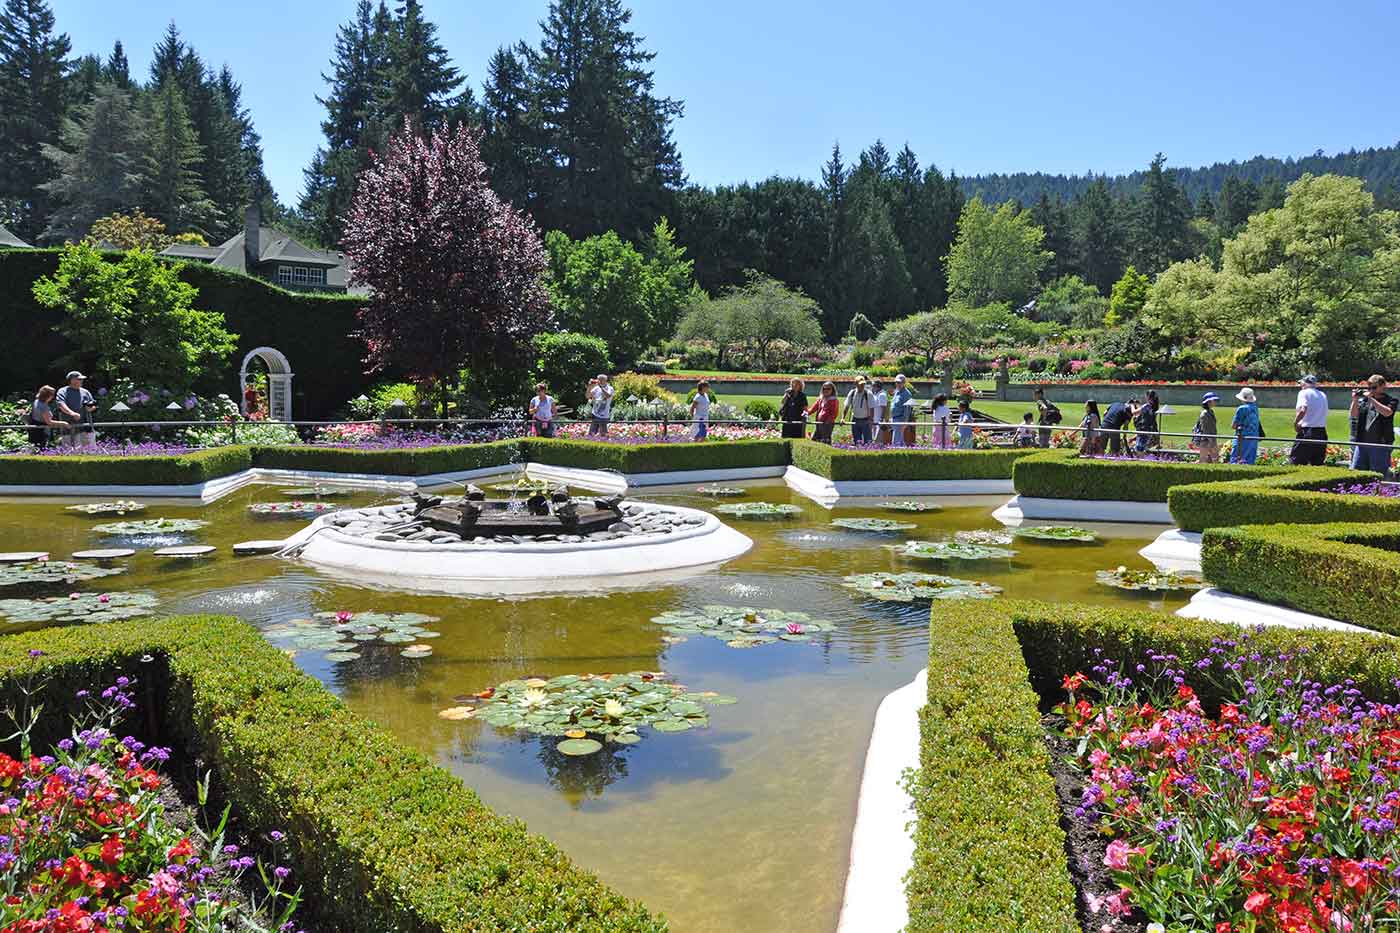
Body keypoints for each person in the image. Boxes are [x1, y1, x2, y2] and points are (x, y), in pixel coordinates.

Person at [1350, 374, 1397, 478]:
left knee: (1379, 475)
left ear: (1383, 386)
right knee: (1356, 473)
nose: (1371, 390)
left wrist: (1371, 399)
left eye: (1374, 387)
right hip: (1362, 443)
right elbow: (1354, 415)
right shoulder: (1364, 401)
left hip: (1380, 444)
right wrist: (1355, 400)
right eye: (1369, 387)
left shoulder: (1391, 400)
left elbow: (1387, 413)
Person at [1285, 374, 1328, 466]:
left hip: (1307, 432)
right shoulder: (1322, 394)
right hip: (1321, 432)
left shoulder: (1303, 393)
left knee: (1296, 463)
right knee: (1317, 465)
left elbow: (1303, 409)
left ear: (1305, 384)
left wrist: (1296, 423)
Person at [54, 371, 97, 450]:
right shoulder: (62, 391)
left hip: (85, 427)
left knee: (89, 451)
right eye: (79, 379)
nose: (81, 381)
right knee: (69, 452)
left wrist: (91, 408)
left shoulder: (85, 392)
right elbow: (61, 405)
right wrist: (72, 413)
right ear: (72, 380)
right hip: (68, 427)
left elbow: (93, 405)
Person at [1230, 387, 1261, 464]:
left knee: (1236, 460)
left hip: (1242, 438)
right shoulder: (1255, 408)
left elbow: (1234, 425)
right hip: (1253, 438)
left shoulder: (1242, 408)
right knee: (1249, 461)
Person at [845, 377, 876, 446]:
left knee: (868, 443)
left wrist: (871, 419)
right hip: (855, 420)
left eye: (863, 384)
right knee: (857, 442)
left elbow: (872, 408)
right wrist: (843, 418)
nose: (862, 386)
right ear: (855, 384)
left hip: (866, 421)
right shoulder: (852, 393)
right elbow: (846, 406)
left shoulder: (868, 393)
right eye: (860, 384)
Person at [1192, 393, 1221, 463]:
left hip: (1210, 438)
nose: (1215, 402)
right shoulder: (1204, 413)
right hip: (1205, 440)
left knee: (1214, 458)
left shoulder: (1210, 411)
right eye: (1213, 400)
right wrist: (1211, 441)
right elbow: (1205, 428)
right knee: (1204, 459)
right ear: (1208, 402)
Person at [27, 385, 57, 450]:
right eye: (52, 395)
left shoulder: (37, 401)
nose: (53, 397)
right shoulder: (43, 405)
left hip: (36, 430)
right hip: (42, 432)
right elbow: (49, 422)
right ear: (47, 395)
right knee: (43, 450)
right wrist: (63, 423)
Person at [1132, 390, 1161, 454]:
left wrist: (1132, 406)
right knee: (1142, 447)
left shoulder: (1146, 405)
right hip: (1149, 430)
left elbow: (1134, 412)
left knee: (1139, 449)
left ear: (1148, 397)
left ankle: (1140, 460)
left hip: (1143, 429)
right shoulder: (1155, 406)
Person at [890, 375, 914, 447]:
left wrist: (905, 422)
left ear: (904, 383)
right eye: (897, 382)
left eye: (900, 382)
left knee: (896, 441)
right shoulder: (897, 392)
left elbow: (907, 409)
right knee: (899, 440)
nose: (898, 384)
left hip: (900, 419)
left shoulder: (907, 394)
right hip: (894, 419)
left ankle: (896, 455)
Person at [871, 380, 889, 446]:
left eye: (873, 386)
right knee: (874, 441)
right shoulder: (876, 394)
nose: (871, 387)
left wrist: (881, 420)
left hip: (879, 422)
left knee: (878, 441)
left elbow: (884, 408)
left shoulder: (882, 395)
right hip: (875, 421)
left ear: (877, 387)